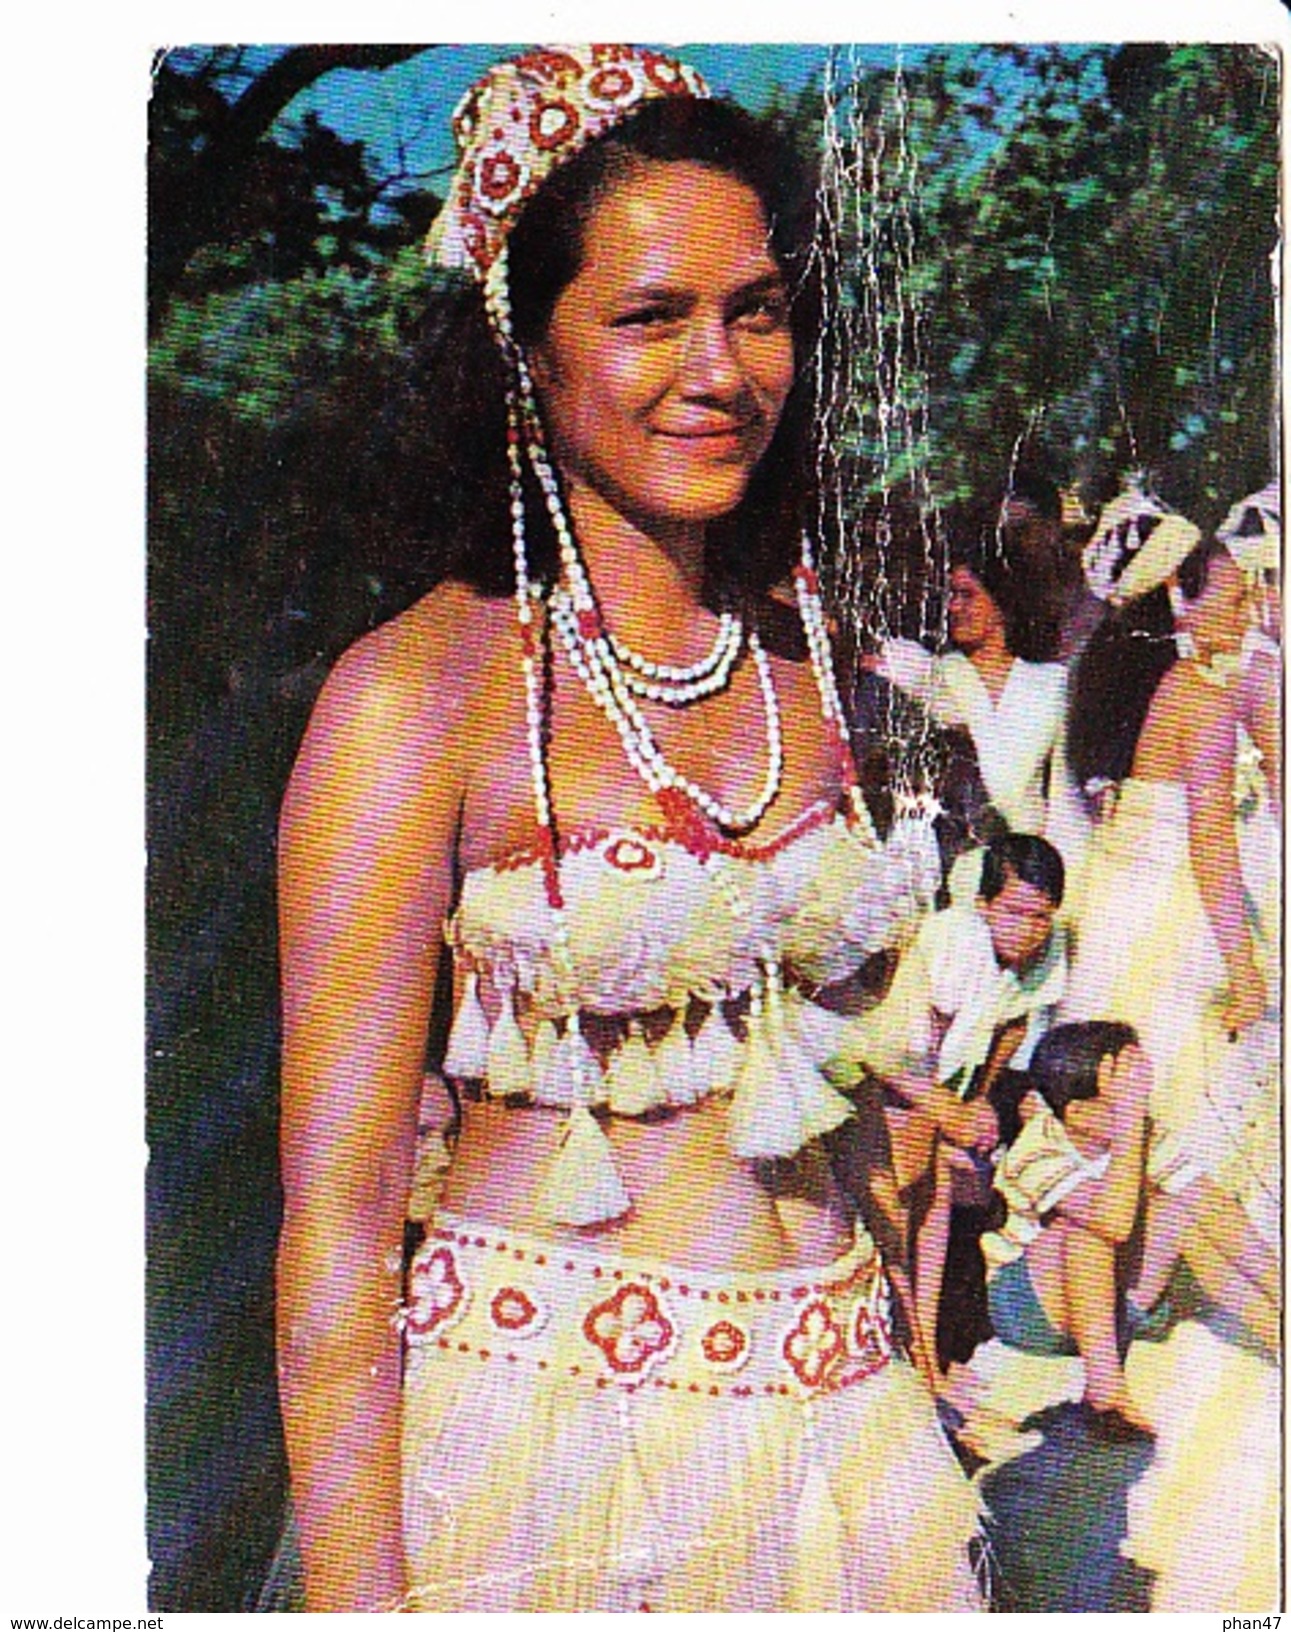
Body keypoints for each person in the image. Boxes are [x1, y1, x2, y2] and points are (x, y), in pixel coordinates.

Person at [275, 47, 981, 1613]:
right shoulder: (419, 694)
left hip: (841, 1454)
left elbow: (847, 1113)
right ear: (528, 350)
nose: (718, 369)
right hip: (537, 1459)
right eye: (649, 316)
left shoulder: (828, 682)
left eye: (755, 308)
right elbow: (330, 1236)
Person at [1061, 484, 1278, 1327]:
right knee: (1190, 1111)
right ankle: (1168, 1289)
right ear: (1176, 599)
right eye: (1226, 599)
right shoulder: (1196, 695)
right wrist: (1245, 966)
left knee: (1135, 1112)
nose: (1239, 615)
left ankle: (1135, 1291)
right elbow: (1212, 847)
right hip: (1174, 928)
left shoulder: (1107, 681)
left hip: (1118, 917)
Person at [830, 833, 1068, 1382]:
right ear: (984, 904)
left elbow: (1015, 1021)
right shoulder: (955, 939)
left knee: (939, 1198)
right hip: (885, 1076)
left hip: (942, 1089)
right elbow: (892, 1051)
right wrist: (950, 1113)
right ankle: (909, 1360)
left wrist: (978, 1100)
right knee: (909, 1197)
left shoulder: (1042, 948)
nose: (1028, 930)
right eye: (1014, 912)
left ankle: (930, 1359)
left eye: (1041, 917)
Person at [864, 513, 1087, 897]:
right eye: (950, 595)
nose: (954, 607)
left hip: (1025, 875)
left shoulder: (1052, 684)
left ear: (1002, 603)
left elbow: (1066, 795)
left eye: (967, 595)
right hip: (944, 864)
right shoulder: (925, 672)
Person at [980, 1021, 1153, 1438]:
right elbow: (1111, 1223)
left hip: (1101, 1301)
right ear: (1076, 1112)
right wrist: (1129, 1122)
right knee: (1084, 1231)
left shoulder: (1134, 1127)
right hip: (1029, 1306)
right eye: (1119, 1095)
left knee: (1185, 1201)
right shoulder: (1035, 1150)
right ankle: (1105, 1393)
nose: (1136, 1099)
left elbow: (1211, 1207)